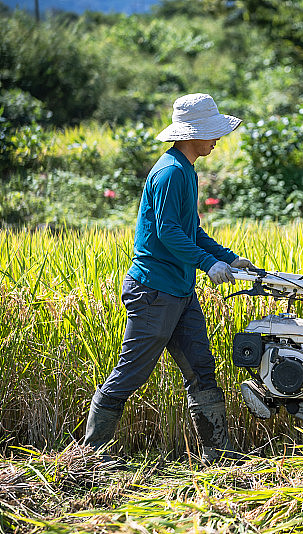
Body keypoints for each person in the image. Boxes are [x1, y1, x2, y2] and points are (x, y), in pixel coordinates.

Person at [82, 93, 254, 464]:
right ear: (190, 134)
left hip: (180, 290)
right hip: (154, 292)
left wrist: (229, 258)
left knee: (201, 368)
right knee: (131, 372)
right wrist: (208, 265)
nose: (216, 139)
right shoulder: (171, 171)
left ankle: (219, 457)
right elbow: (168, 233)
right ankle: (89, 457)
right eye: (210, 132)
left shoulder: (185, 170)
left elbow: (190, 232)